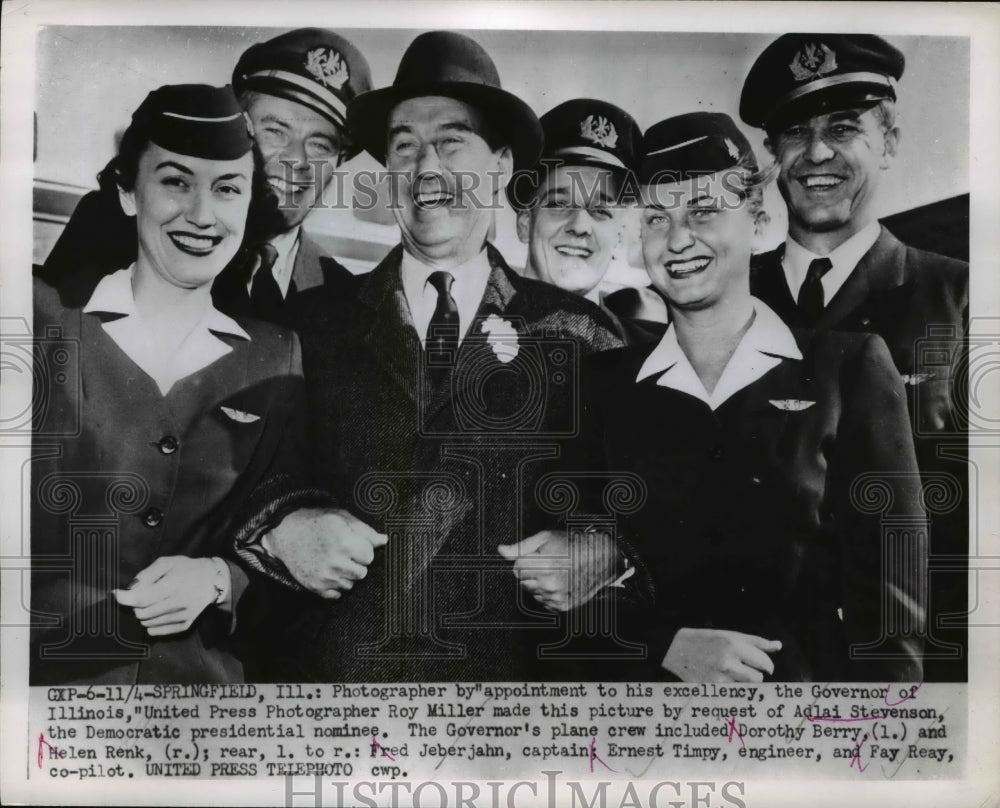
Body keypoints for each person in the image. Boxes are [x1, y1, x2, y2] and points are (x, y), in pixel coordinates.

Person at [233, 31, 623, 682]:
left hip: (500, 729)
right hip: (325, 706)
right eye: (404, 147)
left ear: (501, 166)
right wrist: (279, 525)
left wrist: (605, 551)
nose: (424, 168)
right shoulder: (305, 325)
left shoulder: (582, 335)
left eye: (449, 142)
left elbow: (643, 499)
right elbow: (238, 474)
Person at [581, 112, 925, 681]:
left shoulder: (848, 368)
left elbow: (892, 603)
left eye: (704, 211)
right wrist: (658, 644)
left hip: (809, 733)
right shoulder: (604, 385)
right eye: (656, 219)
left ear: (760, 223)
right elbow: (565, 590)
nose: (678, 239)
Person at [30, 84, 305, 685]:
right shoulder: (38, 319)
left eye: (227, 188)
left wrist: (218, 579)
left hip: (201, 714)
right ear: (129, 192)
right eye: (176, 182)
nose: (203, 215)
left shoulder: (276, 359)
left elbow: (280, 550)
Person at [741, 34, 969, 680]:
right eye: (794, 133)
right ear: (770, 157)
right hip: (748, 673)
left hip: (910, 667)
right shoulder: (721, 298)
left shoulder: (961, 297)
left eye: (844, 128)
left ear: (890, 143)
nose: (816, 153)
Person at [39, 28, 372, 325]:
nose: (297, 161)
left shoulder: (342, 295)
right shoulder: (118, 227)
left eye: (320, 145)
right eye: (275, 130)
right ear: (239, 131)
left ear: (339, 161)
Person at [510, 98, 665, 343]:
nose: (580, 226)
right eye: (559, 204)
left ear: (618, 235)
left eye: (601, 211)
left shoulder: (648, 359)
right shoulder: (462, 333)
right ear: (525, 222)